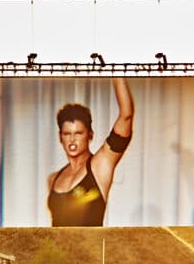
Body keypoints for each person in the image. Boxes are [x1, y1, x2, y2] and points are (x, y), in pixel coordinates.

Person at [47, 77, 135, 227]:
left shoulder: (99, 166)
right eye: (67, 134)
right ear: (60, 137)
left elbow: (126, 116)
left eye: (78, 133)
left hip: (89, 249)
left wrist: (116, 72)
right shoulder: (53, 179)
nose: (72, 140)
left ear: (90, 135)